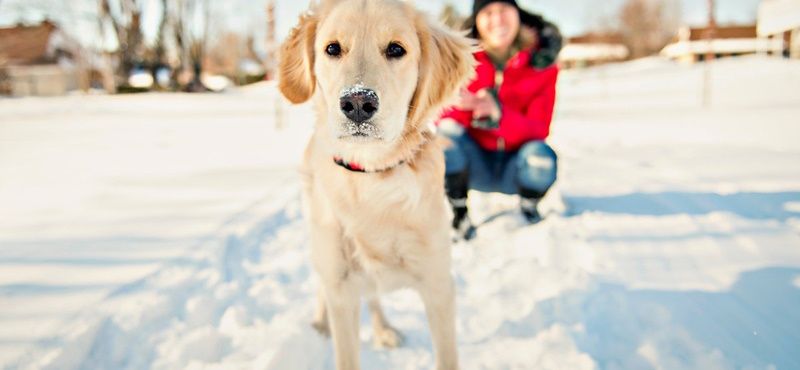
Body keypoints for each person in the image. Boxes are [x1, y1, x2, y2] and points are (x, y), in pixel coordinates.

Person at [437, 0, 562, 239]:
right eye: (488, 12)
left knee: (541, 156)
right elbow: (440, 113)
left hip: (516, 167)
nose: (497, 20)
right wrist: (468, 106)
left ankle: (529, 205)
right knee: (445, 137)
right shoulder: (460, 59)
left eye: (504, 10)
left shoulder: (542, 61)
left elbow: (539, 128)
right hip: (474, 165)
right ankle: (459, 213)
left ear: (517, 13)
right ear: (477, 20)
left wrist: (499, 115)